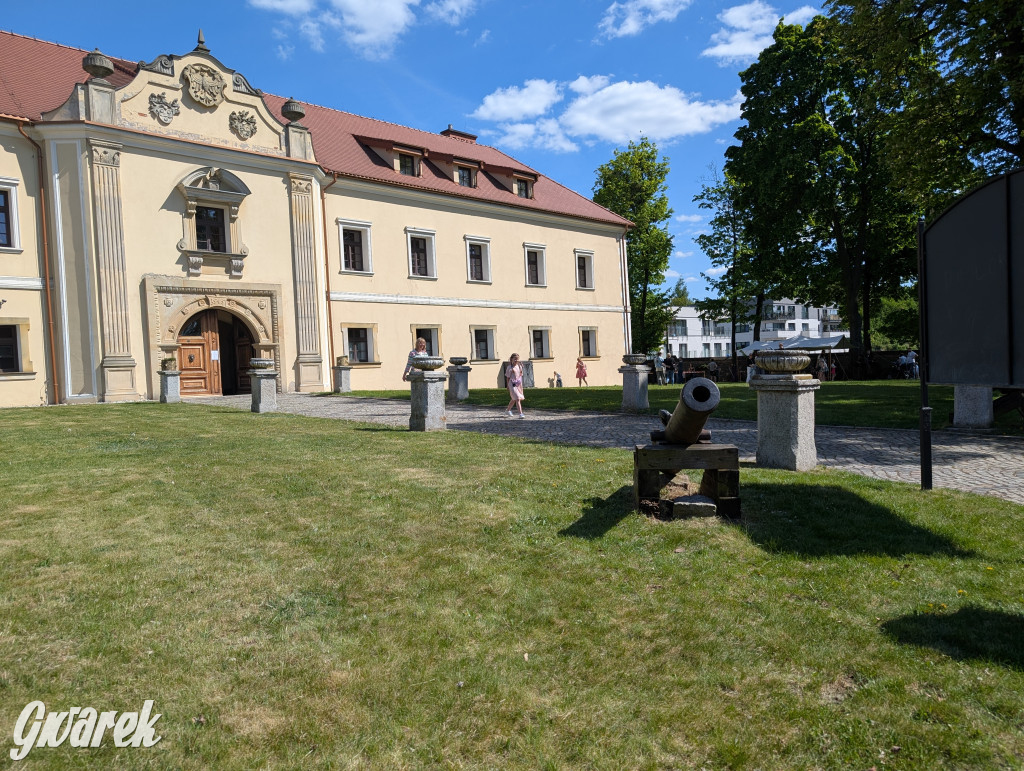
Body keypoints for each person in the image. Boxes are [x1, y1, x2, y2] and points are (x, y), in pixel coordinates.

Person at [505, 353, 526, 418]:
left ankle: (508, 410)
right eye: (515, 359)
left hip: (518, 384)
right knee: (517, 398)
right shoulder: (509, 367)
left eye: (517, 359)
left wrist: (521, 369)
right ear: (511, 359)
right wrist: (507, 385)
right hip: (512, 384)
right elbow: (508, 377)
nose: (516, 360)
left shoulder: (519, 366)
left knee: (514, 399)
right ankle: (520, 413)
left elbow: (520, 375)